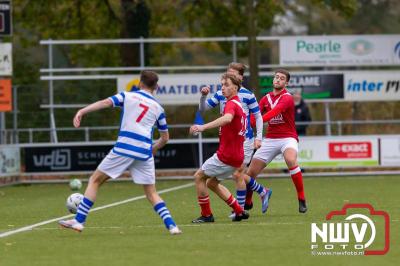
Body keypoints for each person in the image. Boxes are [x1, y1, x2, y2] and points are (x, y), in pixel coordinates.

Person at [58, 70, 182, 235]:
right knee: (152, 193)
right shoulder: (158, 108)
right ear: (156, 87)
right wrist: (153, 148)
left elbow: (105, 102)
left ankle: (79, 221)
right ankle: (172, 226)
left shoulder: (128, 96)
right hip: (144, 152)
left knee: (94, 180)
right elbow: (165, 138)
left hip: (125, 147)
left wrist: (82, 111)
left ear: (140, 83)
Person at [190, 72, 269, 223]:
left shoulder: (232, 103)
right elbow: (203, 108)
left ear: (236, 88)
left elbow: (227, 119)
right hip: (235, 154)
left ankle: (207, 215)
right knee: (212, 183)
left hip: (226, 155)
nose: (222, 88)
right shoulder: (236, 102)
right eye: (221, 85)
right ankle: (239, 211)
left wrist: (202, 127)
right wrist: (203, 97)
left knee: (199, 177)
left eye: (226, 85)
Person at [248, 69, 307, 213]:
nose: (278, 80)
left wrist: (257, 122)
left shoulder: (287, 98)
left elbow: (274, 113)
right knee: (250, 173)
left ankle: (301, 198)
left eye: (282, 78)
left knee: (290, 160)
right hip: (271, 139)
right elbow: (254, 116)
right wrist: (247, 124)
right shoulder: (265, 98)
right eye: (276, 77)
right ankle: (247, 202)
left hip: (288, 137)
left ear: (286, 83)